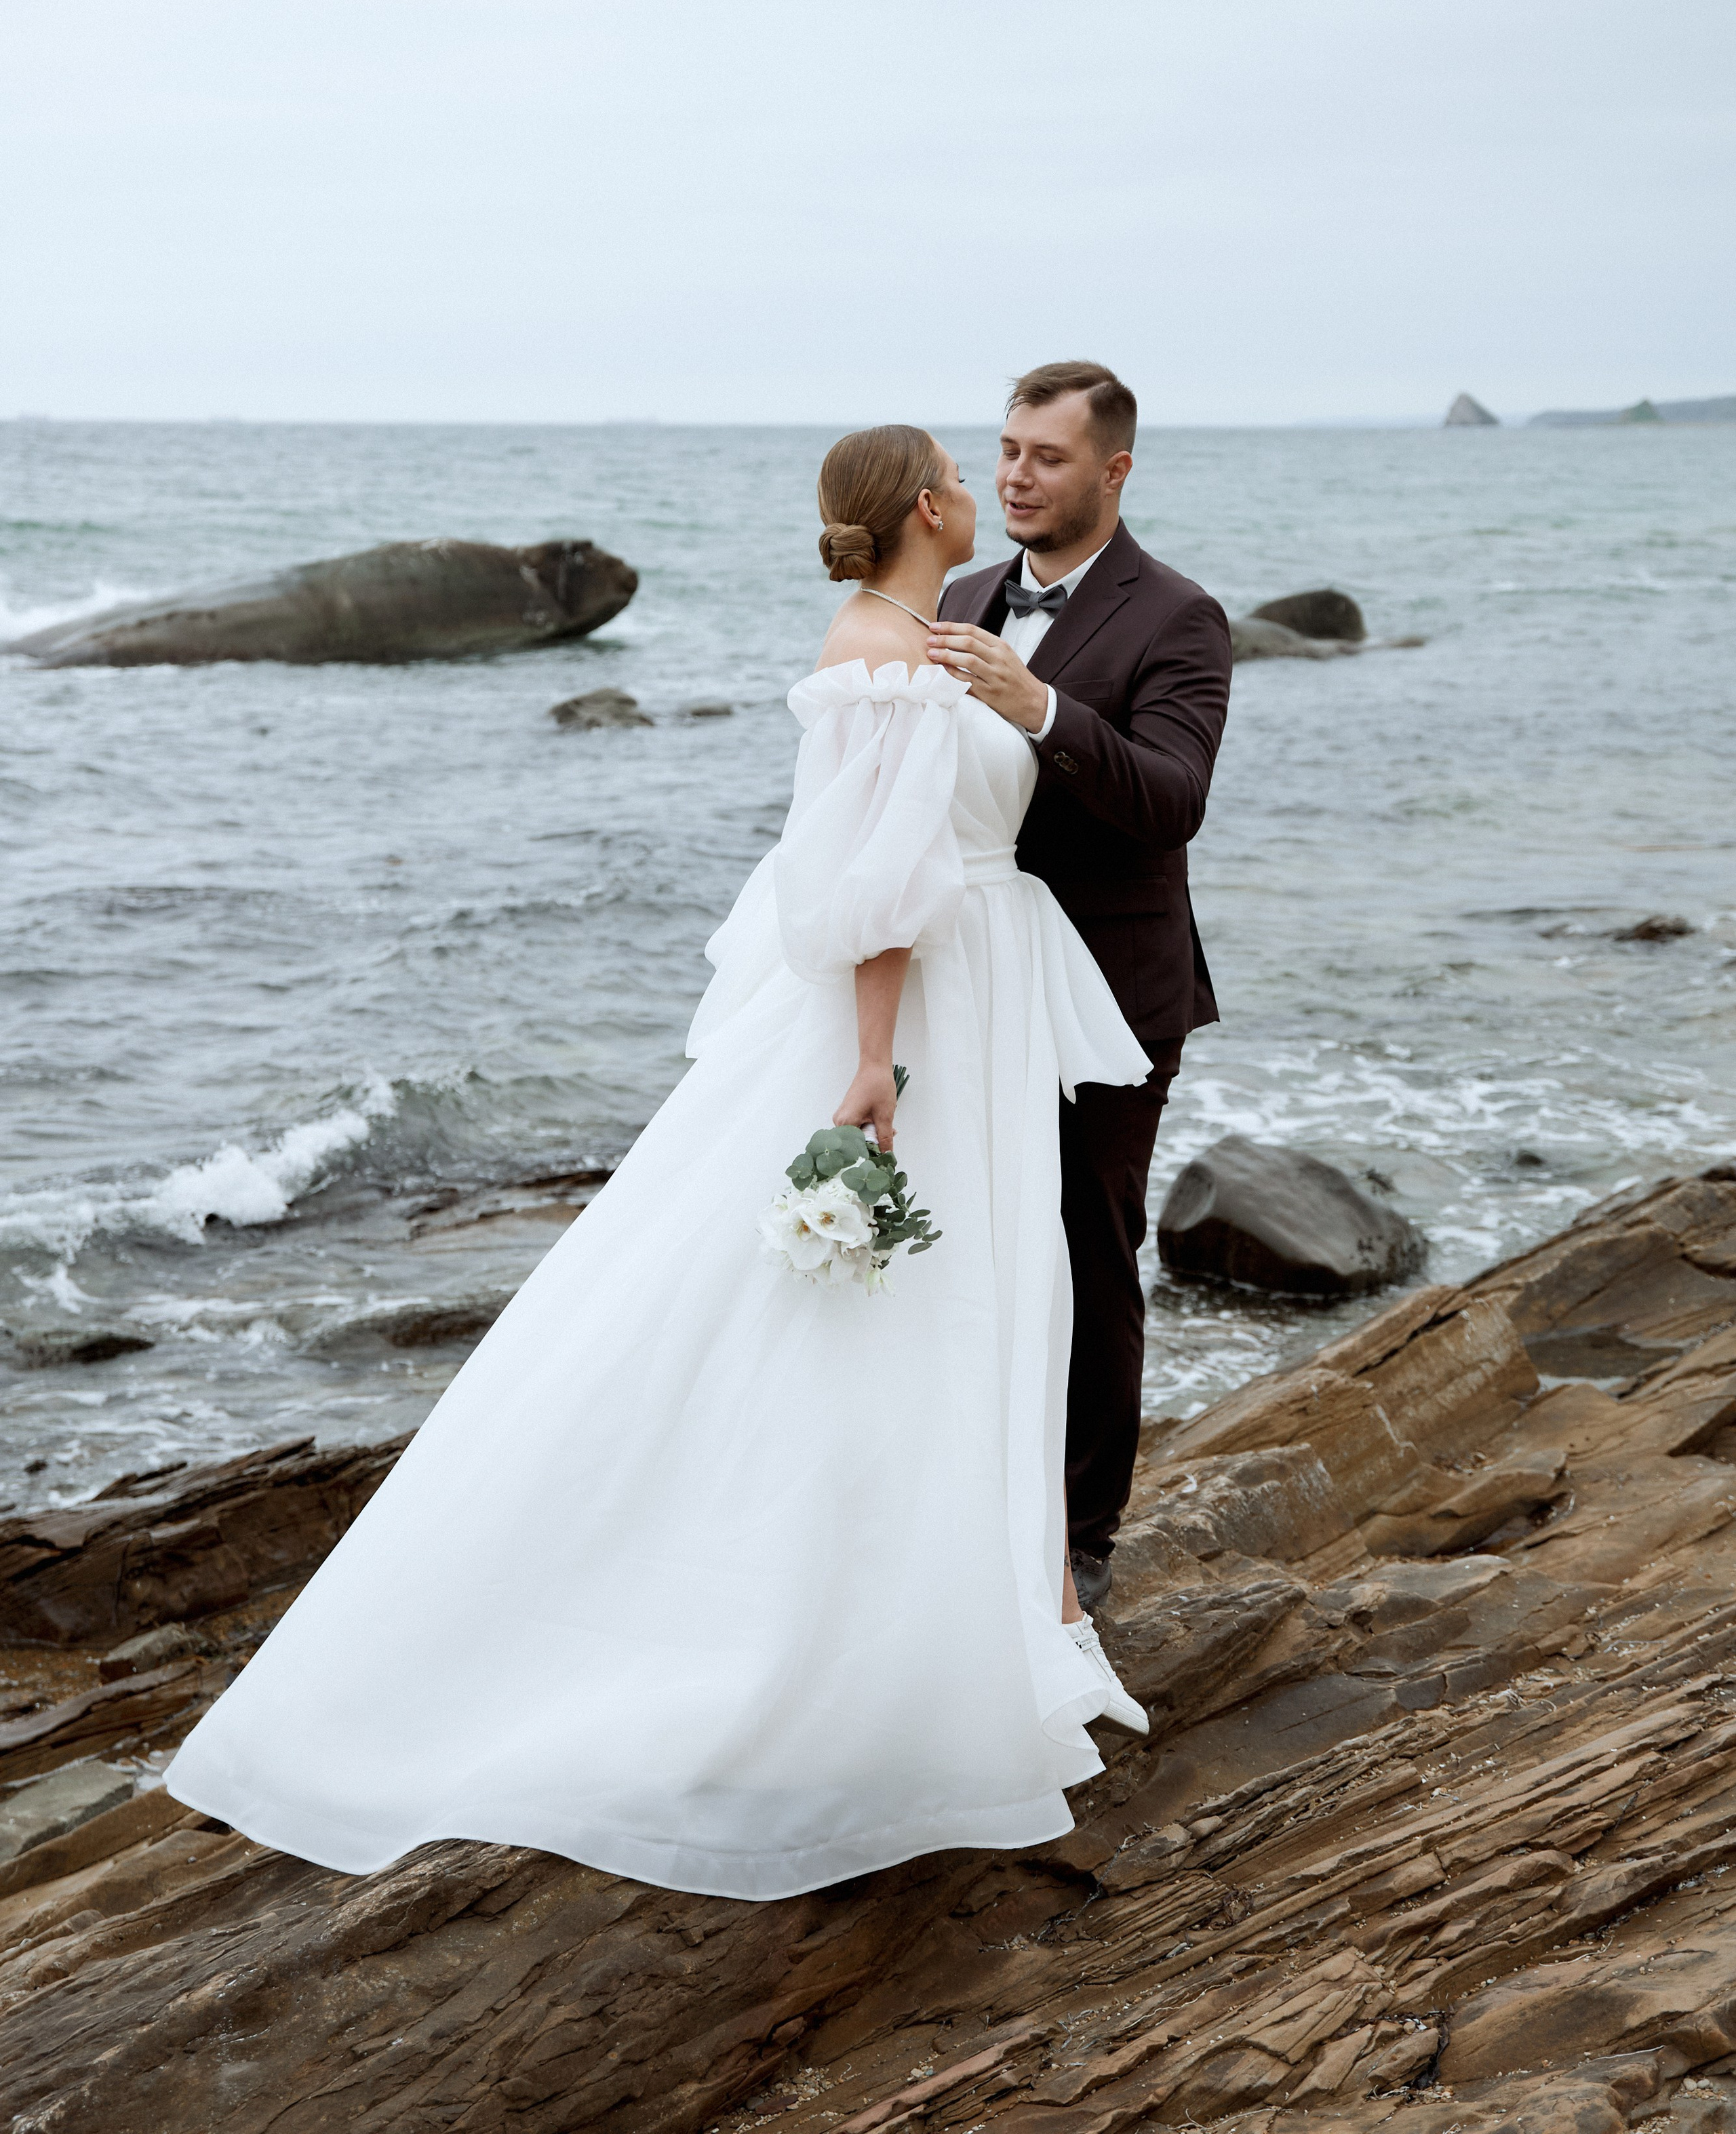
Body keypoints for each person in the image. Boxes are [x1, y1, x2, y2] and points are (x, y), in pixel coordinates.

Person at [165, 423, 1157, 1902]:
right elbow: (871, 887)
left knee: (975, 1310)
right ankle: (846, 1644)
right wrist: (876, 1061)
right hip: (925, 1017)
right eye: (961, 469)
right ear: (922, 508)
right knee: (894, 1319)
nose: (980, 485)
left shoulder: (922, 633)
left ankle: (994, 1613)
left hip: (983, 998)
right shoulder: (881, 650)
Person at [929, 362, 1231, 1611]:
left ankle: (1084, 1535)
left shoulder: (1181, 617)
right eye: (1005, 450)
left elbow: (1174, 799)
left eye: (1046, 457)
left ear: (1112, 472)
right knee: (968, 1242)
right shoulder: (956, 595)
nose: (1014, 475)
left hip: (1111, 995)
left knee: (1086, 1250)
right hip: (972, 980)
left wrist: (1043, 706)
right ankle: (962, 1493)